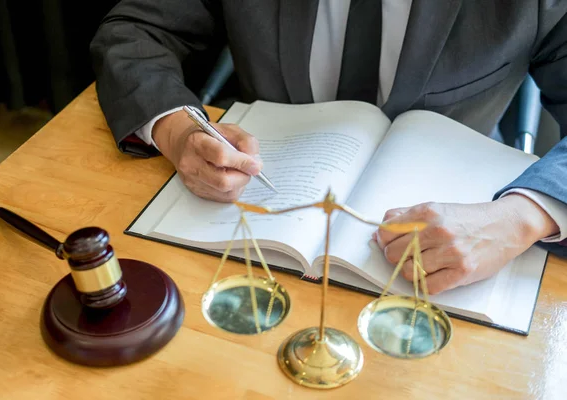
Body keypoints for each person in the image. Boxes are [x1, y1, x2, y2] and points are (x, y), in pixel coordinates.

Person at [90, 0, 567, 294]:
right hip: (258, 224)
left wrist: (519, 219)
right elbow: (134, 31)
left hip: (457, 240)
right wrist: (177, 130)